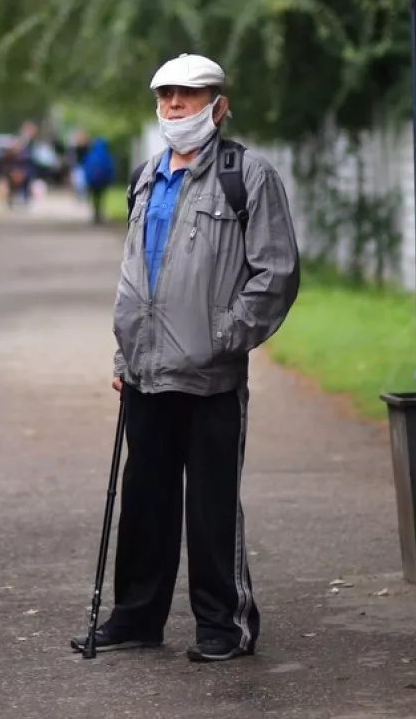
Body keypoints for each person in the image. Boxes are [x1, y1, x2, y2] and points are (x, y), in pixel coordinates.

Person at [71, 52, 300, 663]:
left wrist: (225, 335)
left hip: (210, 374)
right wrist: (126, 356)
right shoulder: (146, 175)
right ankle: (137, 619)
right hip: (145, 371)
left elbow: (275, 272)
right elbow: (135, 272)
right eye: (166, 95)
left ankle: (223, 626)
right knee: (144, 496)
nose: (175, 106)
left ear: (218, 107)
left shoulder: (247, 175)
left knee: (212, 504)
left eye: (189, 96)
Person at [81, 135, 117, 224]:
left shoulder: (91, 155)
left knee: (94, 197)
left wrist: (87, 180)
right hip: (103, 181)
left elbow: (86, 167)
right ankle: (100, 213)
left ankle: (96, 213)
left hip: (93, 181)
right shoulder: (106, 155)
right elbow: (111, 168)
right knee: (101, 197)